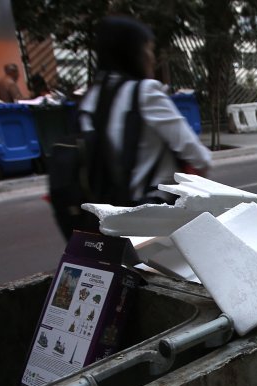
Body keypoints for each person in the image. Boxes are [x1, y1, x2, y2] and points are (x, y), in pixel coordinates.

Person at [63, 15, 211, 236]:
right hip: (153, 219)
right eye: (148, 50)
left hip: (106, 222)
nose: (152, 57)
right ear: (133, 53)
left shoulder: (89, 99)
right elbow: (200, 157)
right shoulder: (145, 92)